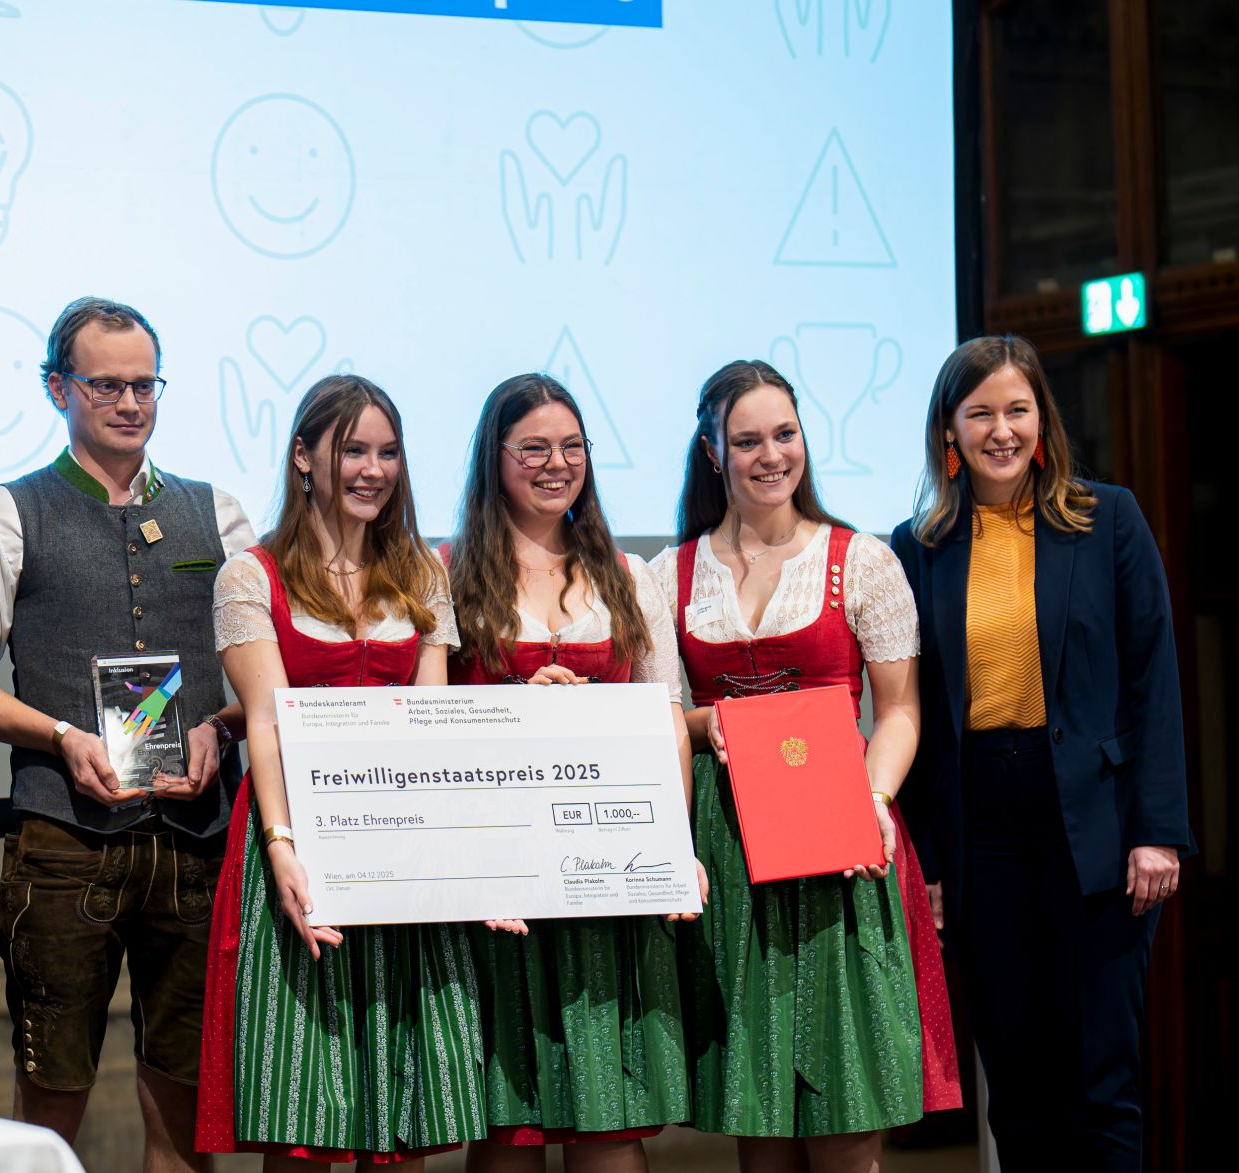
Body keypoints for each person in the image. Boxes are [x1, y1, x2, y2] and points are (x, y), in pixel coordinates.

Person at [0, 297, 252, 1167]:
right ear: (58, 388)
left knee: (186, 1101)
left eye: (144, 384)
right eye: (105, 384)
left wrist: (221, 728)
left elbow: (259, 675)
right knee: (52, 1096)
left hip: (196, 839)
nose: (129, 403)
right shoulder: (5, 513)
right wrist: (61, 736)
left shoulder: (219, 512)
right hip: (65, 841)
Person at [890, 335, 1191, 1171]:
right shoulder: (916, 546)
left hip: (1096, 829)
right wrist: (930, 864)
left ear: (1042, 421)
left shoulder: (1108, 519)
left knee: (1103, 1085)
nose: (1002, 430)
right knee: (1018, 1092)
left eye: (1017, 410)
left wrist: (1157, 829)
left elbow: (1154, 679)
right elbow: (914, 714)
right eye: (980, 412)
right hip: (981, 834)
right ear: (949, 430)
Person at [651, 359, 959, 1172]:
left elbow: (900, 711)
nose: (771, 454)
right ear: (713, 452)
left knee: (847, 1102)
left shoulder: (861, 560)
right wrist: (707, 719)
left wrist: (874, 799)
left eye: (784, 434)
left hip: (840, 833)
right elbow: (657, 718)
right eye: (748, 440)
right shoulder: (669, 574)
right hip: (730, 842)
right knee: (760, 1117)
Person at [196, 374, 491, 1167]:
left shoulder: (423, 572)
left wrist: (471, 857)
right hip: (297, 840)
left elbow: (431, 726)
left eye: (388, 452)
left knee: (403, 1111)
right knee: (305, 1111)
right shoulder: (251, 575)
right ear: (303, 456)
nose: (373, 469)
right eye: (352, 450)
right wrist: (283, 847)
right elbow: (266, 721)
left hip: (402, 849)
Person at [443, 374, 698, 1172]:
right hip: (503, 876)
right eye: (534, 448)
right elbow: (430, 726)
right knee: (509, 1123)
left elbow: (666, 717)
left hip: (606, 867)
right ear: (495, 458)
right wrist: (518, 706)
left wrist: (674, 848)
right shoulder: (447, 573)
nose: (557, 464)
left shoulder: (628, 573)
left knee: (607, 1116)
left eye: (572, 447)